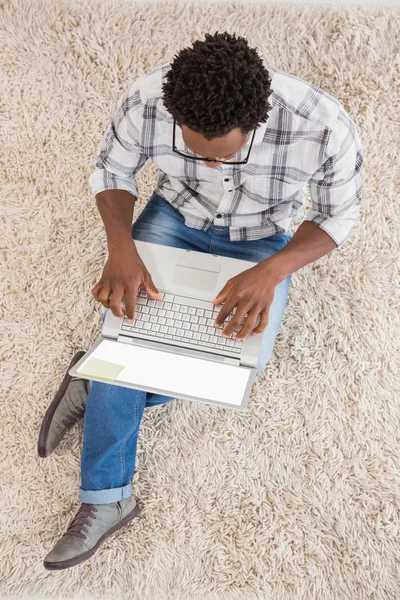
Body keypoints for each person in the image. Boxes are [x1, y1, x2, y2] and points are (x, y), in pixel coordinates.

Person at [38, 31, 363, 570]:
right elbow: (113, 171)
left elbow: (337, 216)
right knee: (133, 334)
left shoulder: (323, 125)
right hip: (173, 218)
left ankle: (96, 381)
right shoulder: (147, 100)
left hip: (263, 240)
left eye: (222, 155)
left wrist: (273, 270)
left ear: (255, 123)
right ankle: (107, 498)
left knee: (232, 366)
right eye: (194, 150)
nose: (209, 166)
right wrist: (121, 247)